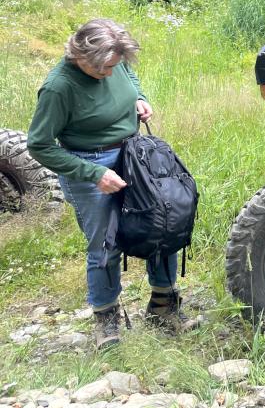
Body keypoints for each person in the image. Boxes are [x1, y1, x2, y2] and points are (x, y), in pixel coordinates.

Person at [27, 18, 192, 349]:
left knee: (162, 223)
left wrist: (139, 97)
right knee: (106, 243)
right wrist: (93, 174)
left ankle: (163, 304)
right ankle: (106, 320)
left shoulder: (113, 62)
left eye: (114, 66)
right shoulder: (59, 88)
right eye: (103, 69)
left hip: (134, 153)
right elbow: (40, 145)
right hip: (89, 164)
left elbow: (127, 74)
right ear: (80, 55)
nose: (109, 73)